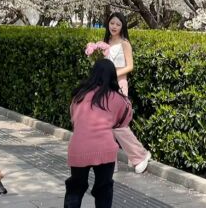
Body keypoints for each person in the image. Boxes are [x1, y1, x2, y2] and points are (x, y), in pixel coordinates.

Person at [64, 59, 132, 208]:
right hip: (105, 149)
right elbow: (125, 119)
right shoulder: (118, 99)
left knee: (75, 188)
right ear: (113, 76)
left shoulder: (78, 96)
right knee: (104, 189)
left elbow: (74, 119)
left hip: (78, 147)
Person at [104, 12, 151, 174]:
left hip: (119, 85)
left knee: (118, 124)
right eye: (112, 23)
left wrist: (112, 74)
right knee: (105, 125)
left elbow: (130, 66)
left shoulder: (125, 43)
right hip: (105, 86)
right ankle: (111, 162)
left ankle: (140, 155)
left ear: (122, 26)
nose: (114, 27)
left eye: (117, 24)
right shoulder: (105, 43)